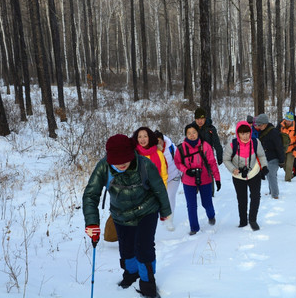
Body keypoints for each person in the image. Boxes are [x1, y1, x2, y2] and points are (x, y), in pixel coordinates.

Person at [83, 134, 171, 298]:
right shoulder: (104, 167)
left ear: (131, 154)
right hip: (120, 214)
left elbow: (158, 187)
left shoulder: (144, 164)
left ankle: (147, 284)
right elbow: (90, 195)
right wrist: (92, 223)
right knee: (126, 248)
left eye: (125, 160)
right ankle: (131, 274)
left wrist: (165, 211)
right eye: (116, 161)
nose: (121, 164)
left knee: (144, 247)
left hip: (147, 210)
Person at [174, 123, 221, 235]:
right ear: (185, 135)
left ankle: (211, 215)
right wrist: (186, 170)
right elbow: (177, 162)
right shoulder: (181, 148)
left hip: (205, 179)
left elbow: (212, 163)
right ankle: (194, 228)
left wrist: (217, 179)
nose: (192, 135)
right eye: (189, 133)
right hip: (188, 180)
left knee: (207, 203)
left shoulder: (205, 146)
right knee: (191, 205)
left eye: (194, 132)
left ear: (198, 133)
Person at [223, 121, 268, 230]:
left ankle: (252, 220)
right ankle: (243, 221)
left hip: (254, 172)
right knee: (242, 199)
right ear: (238, 134)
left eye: (247, 133)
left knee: (255, 196)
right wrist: (233, 169)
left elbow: (261, 155)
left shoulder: (255, 142)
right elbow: (226, 159)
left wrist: (264, 166)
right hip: (238, 176)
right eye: (242, 134)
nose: (245, 136)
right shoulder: (232, 145)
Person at [154, 130, 182, 231]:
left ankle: (169, 220)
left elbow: (179, 160)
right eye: (155, 141)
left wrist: (182, 173)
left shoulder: (170, 147)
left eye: (159, 141)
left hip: (173, 176)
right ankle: (162, 216)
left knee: (170, 198)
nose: (158, 143)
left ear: (163, 140)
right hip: (160, 180)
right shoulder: (152, 150)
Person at [254, 113, 285, 199]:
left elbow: (279, 147)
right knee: (268, 174)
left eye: (260, 125)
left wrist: (282, 161)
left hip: (274, 157)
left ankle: (275, 195)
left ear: (265, 124)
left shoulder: (274, 132)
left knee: (271, 175)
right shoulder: (262, 132)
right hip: (266, 157)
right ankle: (271, 191)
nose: (258, 127)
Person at [276, 112, 296, 182]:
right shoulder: (280, 125)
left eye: (289, 121)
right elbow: (275, 136)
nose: (288, 122)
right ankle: (290, 174)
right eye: (287, 120)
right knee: (283, 164)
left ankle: (288, 180)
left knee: (289, 165)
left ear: (292, 121)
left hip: (292, 148)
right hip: (282, 148)